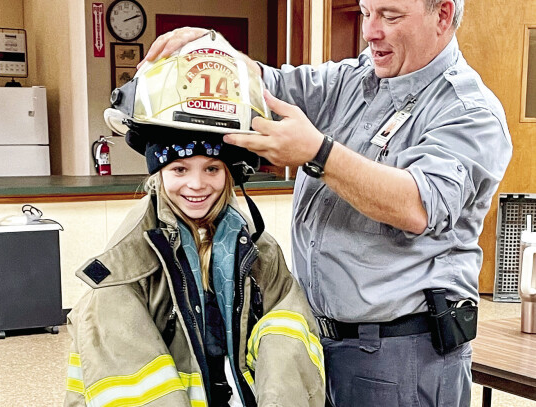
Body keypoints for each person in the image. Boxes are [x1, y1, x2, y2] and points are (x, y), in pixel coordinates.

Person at [142, 1, 513, 405]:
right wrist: (216, 54)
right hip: (319, 342)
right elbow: (265, 86)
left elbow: (417, 205)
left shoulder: (469, 112)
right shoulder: (354, 79)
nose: (370, 31)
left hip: (400, 355)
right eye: (366, 11)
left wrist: (318, 154)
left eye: (390, 16)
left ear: (442, 15)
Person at [64, 33, 325, 407]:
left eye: (213, 168)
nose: (197, 185)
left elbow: (289, 333)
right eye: (180, 168)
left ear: (231, 173)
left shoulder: (258, 249)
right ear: (157, 174)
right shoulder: (124, 270)